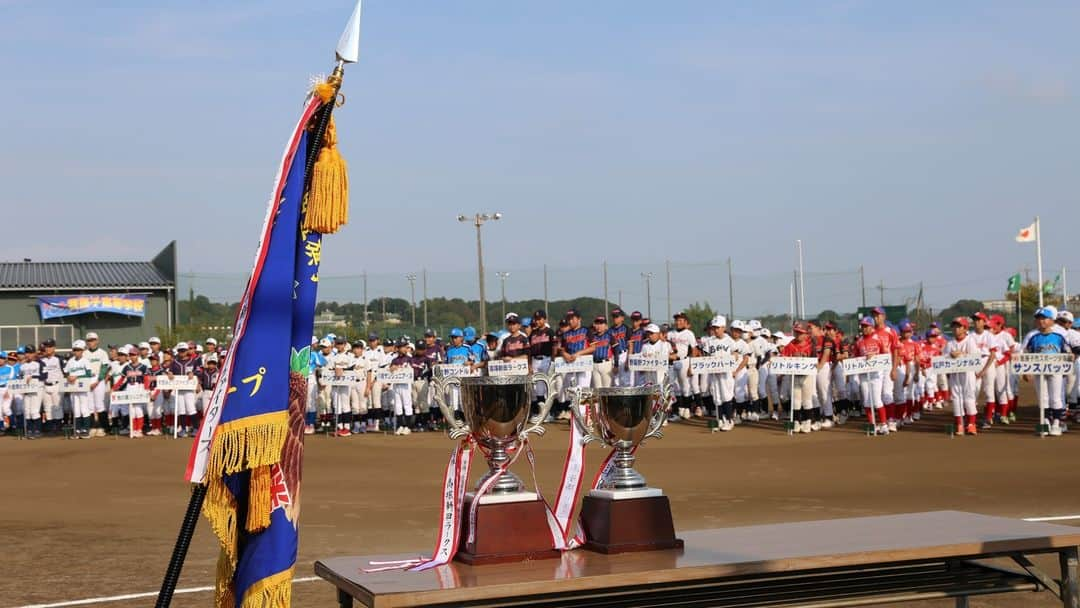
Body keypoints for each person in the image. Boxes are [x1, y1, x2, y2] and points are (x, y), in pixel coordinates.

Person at [1023, 307, 1076, 436]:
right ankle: (1045, 422)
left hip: (1056, 370)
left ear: (1052, 320)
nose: (1042, 321)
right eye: (1039, 318)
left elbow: (1068, 352)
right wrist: (1025, 370)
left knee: (1056, 398)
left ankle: (1056, 424)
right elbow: (1023, 352)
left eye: (1044, 318)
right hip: (1038, 371)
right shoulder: (1031, 335)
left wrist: (1069, 361)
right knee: (1043, 398)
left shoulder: (1060, 335)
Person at [944, 317, 980, 436]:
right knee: (956, 398)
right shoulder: (950, 343)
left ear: (965, 328)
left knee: (969, 397)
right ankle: (959, 424)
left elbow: (975, 357)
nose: (956, 329)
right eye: (954, 326)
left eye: (959, 326)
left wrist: (961, 354)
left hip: (968, 373)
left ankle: (971, 424)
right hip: (954, 373)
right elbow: (943, 359)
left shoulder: (970, 340)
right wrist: (950, 355)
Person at [699, 316, 736, 431]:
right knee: (716, 396)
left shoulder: (729, 340)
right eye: (714, 328)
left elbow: (735, 354)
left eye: (717, 328)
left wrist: (730, 361)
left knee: (726, 395)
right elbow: (704, 355)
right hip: (714, 372)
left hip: (726, 373)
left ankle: (729, 420)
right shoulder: (710, 341)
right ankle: (720, 419)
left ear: (723, 328)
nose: (715, 330)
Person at [854, 317, 889, 435]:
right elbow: (856, 357)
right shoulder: (859, 341)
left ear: (871, 326)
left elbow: (885, 354)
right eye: (862, 326)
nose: (864, 328)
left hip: (876, 373)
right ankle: (872, 424)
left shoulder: (878, 338)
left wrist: (874, 355)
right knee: (867, 401)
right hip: (864, 374)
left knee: (877, 400)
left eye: (866, 326)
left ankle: (884, 424)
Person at [781, 323, 817, 433]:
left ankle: (807, 421)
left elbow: (814, 360)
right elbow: (783, 358)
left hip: (807, 376)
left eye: (801, 333)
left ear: (806, 334)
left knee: (807, 400)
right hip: (795, 375)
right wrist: (792, 358)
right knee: (796, 401)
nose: (798, 335)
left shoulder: (811, 345)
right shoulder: (790, 345)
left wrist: (804, 358)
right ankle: (796, 422)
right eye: (796, 332)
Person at [556, 309, 591, 420]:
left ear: (579, 319)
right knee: (572, 391)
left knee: (583, 390)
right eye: (569, 319)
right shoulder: (566, 334)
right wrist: (564, 354)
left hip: (584, 363)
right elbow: (561, 349)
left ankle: (585, 416)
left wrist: (579, 353)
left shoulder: (586, 331)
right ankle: (575, 415)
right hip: (570, 364)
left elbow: (593, 347)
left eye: (573, 318)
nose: (570, 321)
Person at [667, 312, 698, 420]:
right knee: (674, 387)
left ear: (685, 322)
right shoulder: (670, 333)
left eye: (681, 320)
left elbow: (694, 349)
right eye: (676, 320)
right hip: (672, 363)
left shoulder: (689, 333)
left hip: (684, 361)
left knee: (685, 387)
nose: (678, 322)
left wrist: (691, 365)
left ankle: (687, 408)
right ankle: (677, 411)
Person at [528, 310, 557, 415]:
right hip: (535, 360)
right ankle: (542, 412)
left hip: (546, 359)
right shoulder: (533, 333)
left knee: (548, 386)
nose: (538, 321)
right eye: (536, 319)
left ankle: (550, 412)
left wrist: (553, 361)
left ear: (545, 319)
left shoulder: (550, 331)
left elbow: (554, 347)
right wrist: (529, 364)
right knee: (538, 388)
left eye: (540, 319)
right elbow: (529, 351)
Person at [82, 333, 110, 437]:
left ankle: (103, 427)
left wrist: (97, 381)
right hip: (88, 378)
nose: (91, 342)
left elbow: (104, 367)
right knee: (89, 406)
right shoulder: (84, 353)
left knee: (99, 405)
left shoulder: (102, 353)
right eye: (89, 340)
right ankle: (93, 427)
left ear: (97, 341)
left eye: (93, 340)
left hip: (99, 379)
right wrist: (87, 380)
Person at [588, 315, 614, 389]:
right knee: (597, 390)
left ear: (606, 326)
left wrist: (616, 365)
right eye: (597, 323)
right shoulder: (592, 337)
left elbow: (616, 350)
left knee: (607, 389)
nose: (599, 326)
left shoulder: (609, 336)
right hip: (594, 364)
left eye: (601, 323)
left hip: (606, 363)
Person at [609, 309, 631, 387]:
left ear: (622, 318)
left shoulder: (626, 328)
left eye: (617, 316)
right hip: (614, 356)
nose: (615, 318)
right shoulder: (610, 330)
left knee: (625, 380)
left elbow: (630, 345)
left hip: (624, 354)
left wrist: (628, 360)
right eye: (614, 317)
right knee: (615, 381)